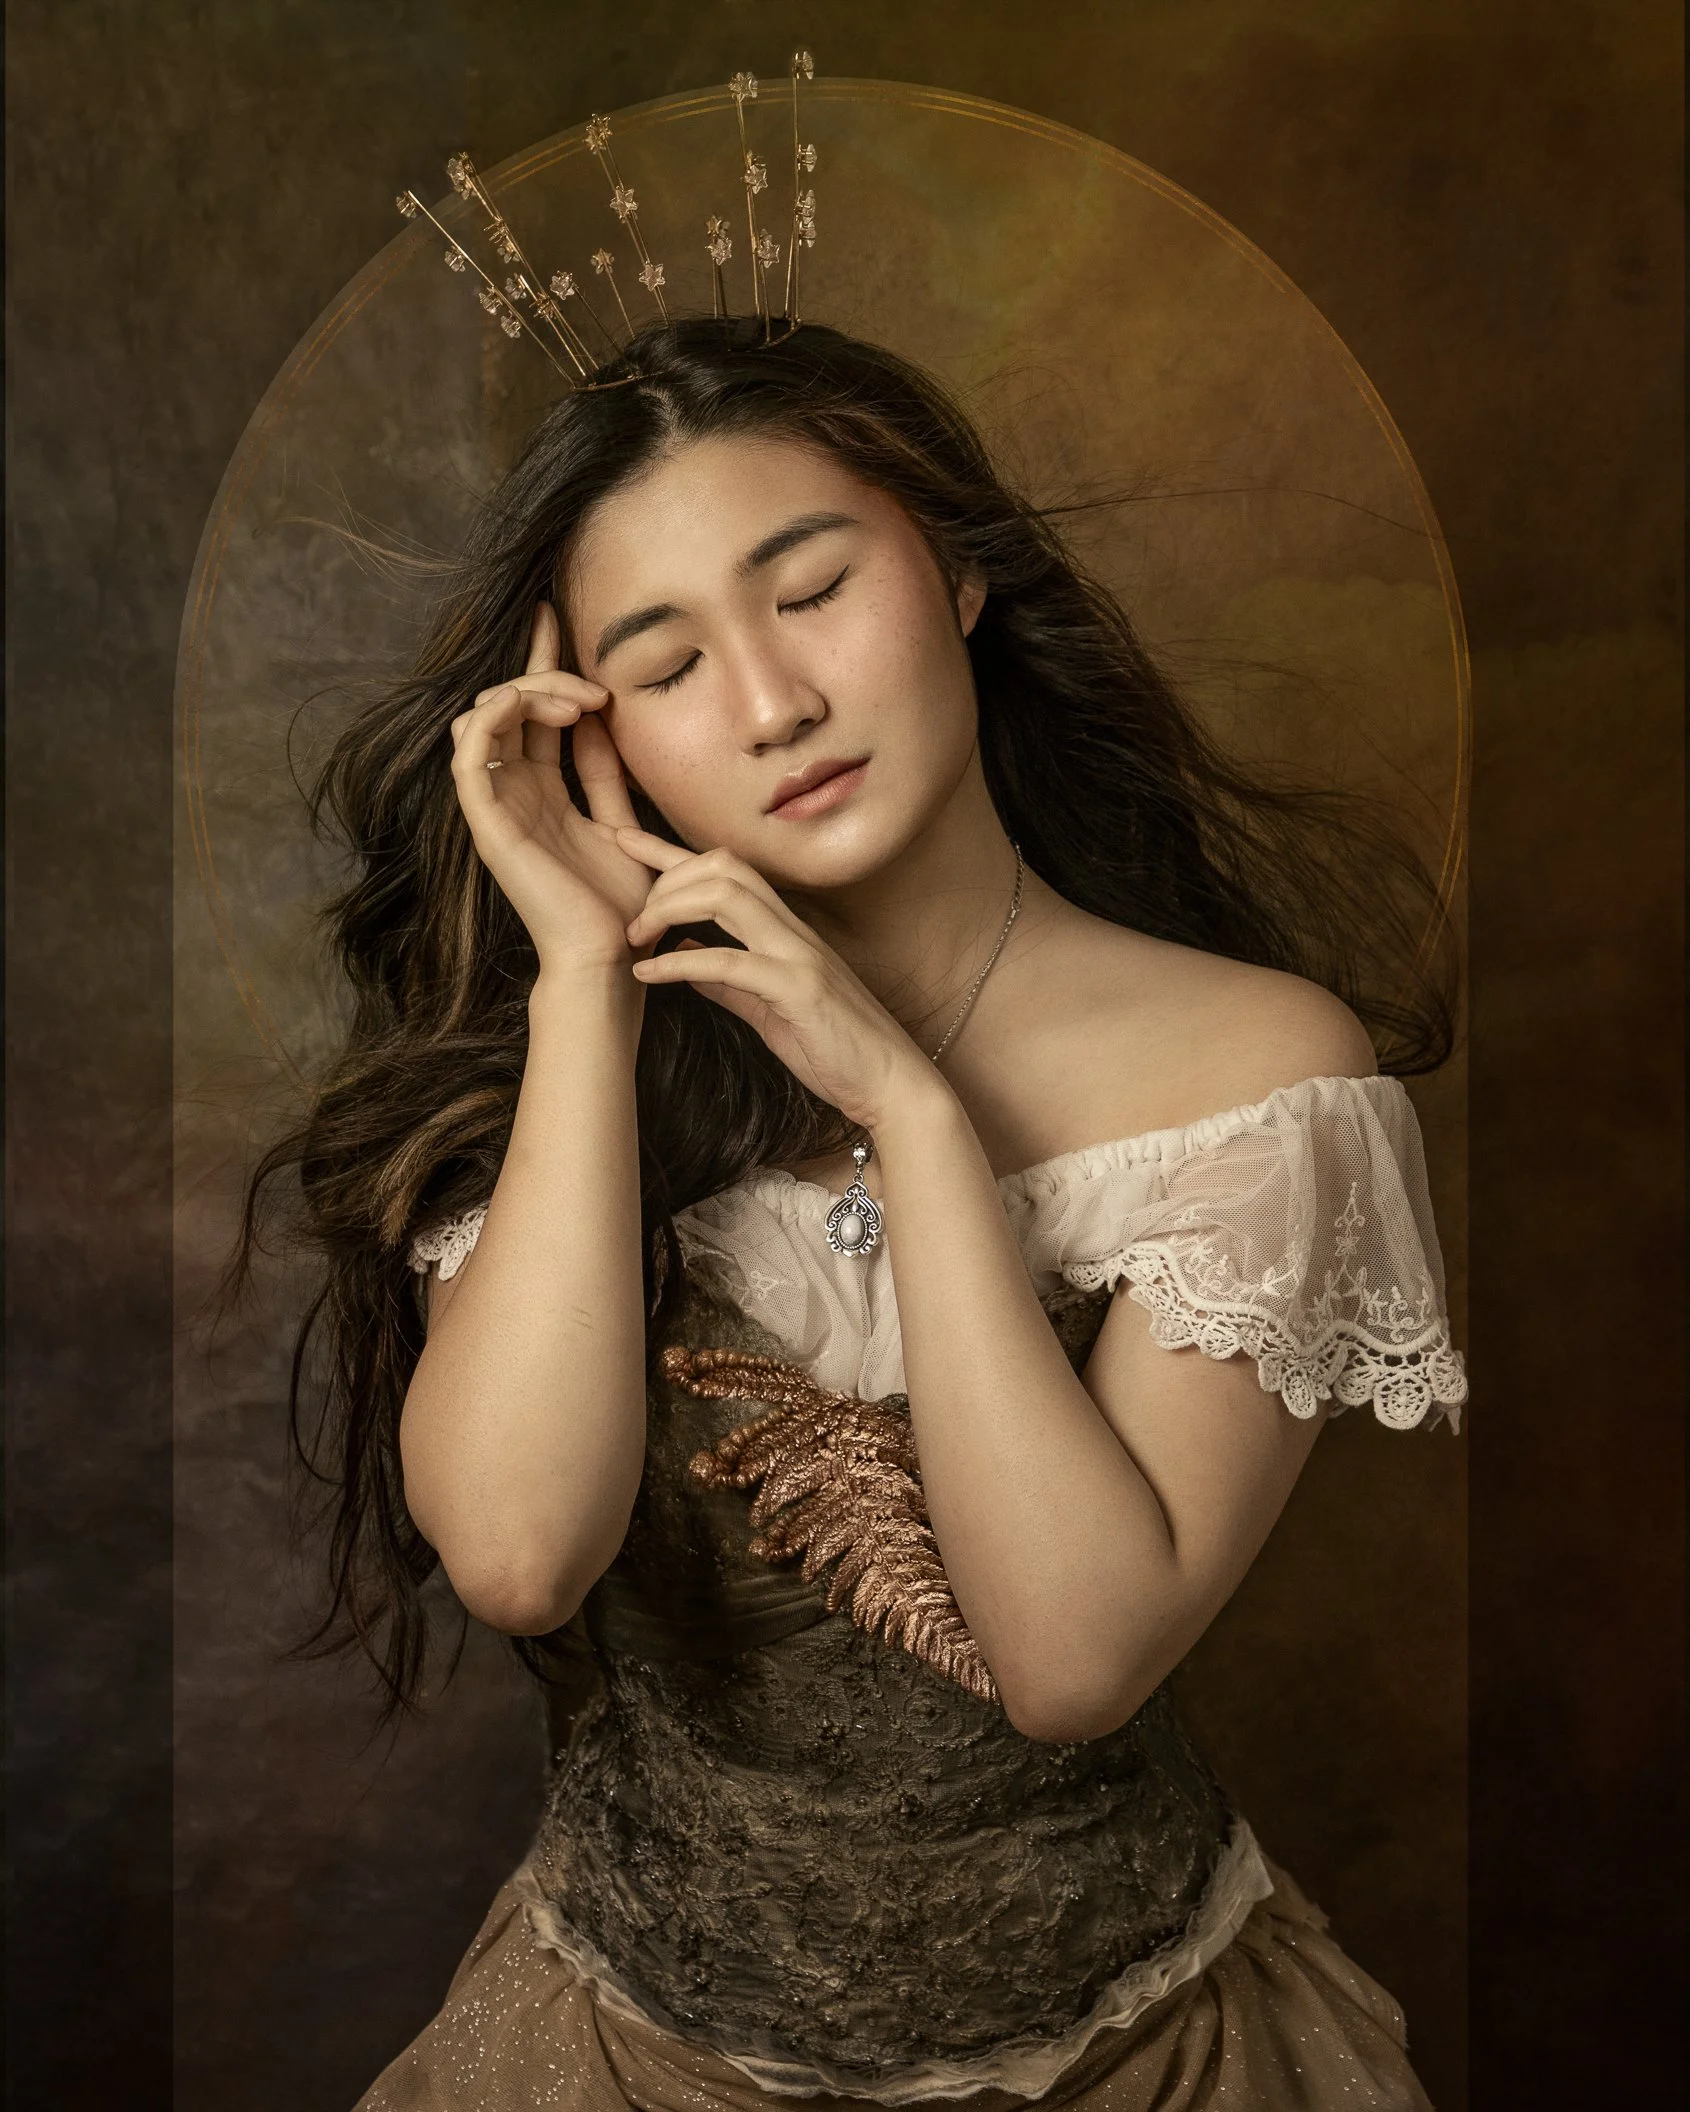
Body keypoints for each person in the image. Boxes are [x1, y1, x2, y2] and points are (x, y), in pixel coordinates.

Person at [240, 314, 1465, 2109]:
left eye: (811, 587)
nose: (771, 703)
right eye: (663, 665)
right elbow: (516, 1552)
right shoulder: (556, 1097)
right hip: (620, 2059)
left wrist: (905, 1104)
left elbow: (1070, 1659)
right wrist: (585, 980)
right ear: (593, 738)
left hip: (1150, 2060)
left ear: (960, 570)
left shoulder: (1257, 1073)